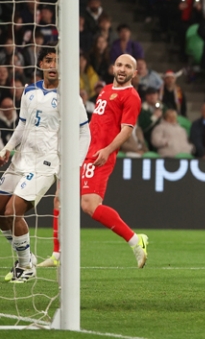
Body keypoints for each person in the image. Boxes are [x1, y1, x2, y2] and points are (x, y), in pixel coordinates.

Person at [44, 54, 147, 269]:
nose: (122, 69)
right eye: (119, 65)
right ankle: (57, 255)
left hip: (100, 156)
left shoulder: (131, 97)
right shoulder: (106, 90)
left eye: (128, 67)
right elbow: (97, 122)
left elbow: (127, 130)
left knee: (89, 206)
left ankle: (136, 241)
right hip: (83, 151)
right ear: (113, 67)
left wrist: (107, 150)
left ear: (134, 73)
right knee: (60, 198)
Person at [0, 47, 90, 281]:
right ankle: (27, 258)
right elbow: (22, 125)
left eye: (58, 61)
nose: (53, 65)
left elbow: (84, 133)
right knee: (1, 214)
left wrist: (75, 166)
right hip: (21, 159)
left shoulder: (70, 97)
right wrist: (7, 148)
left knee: (12, 212)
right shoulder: (29, 91)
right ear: (40, 64)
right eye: (49, 60)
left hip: (45, 164)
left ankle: (26, 266)